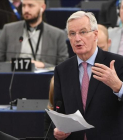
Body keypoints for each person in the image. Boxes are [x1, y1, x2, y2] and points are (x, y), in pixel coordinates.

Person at [53, 11, 123, 140]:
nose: (77, 38)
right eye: (72, 34)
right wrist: (58, 130)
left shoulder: (118, 63)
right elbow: (59, 111)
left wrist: (119, 87)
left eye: (83, 32)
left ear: (95, 34)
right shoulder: (62, 70)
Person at [0, 0, 68, 68]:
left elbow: (64, 68)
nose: (26, 10)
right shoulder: (8, 30)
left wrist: (43, 65)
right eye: (24, 6)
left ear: (42, 8)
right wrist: (15, 64)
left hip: (45, 80)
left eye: (31, 6)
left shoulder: (57, 35)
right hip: (14, 79)